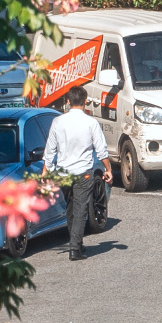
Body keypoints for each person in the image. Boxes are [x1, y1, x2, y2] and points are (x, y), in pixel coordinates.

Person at [41, 87, 112, 263]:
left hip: (63, 173)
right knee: (80, 209)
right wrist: (108, 169)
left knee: (71, 207)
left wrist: (45, 171)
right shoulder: (91, 123)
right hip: (83, 172)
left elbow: (50, 149)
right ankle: (74, 248)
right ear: (85, 101)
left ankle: (77, 243)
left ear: (68, 101)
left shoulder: (57, 122)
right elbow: (101, 150)